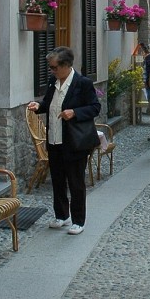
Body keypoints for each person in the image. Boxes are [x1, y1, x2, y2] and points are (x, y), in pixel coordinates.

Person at [27, 47, 101, 235]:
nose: (51, 71)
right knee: (57, 180)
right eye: (50, 68)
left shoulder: (82, 83)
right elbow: (50, 104)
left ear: (66, 65)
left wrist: (74, 112)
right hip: (54, 139)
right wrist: (39, 106)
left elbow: (94, 107)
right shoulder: (53, 82)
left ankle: (78, 220)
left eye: (54, 67)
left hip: (74, 141)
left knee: (76, 182)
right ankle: (61, 215)